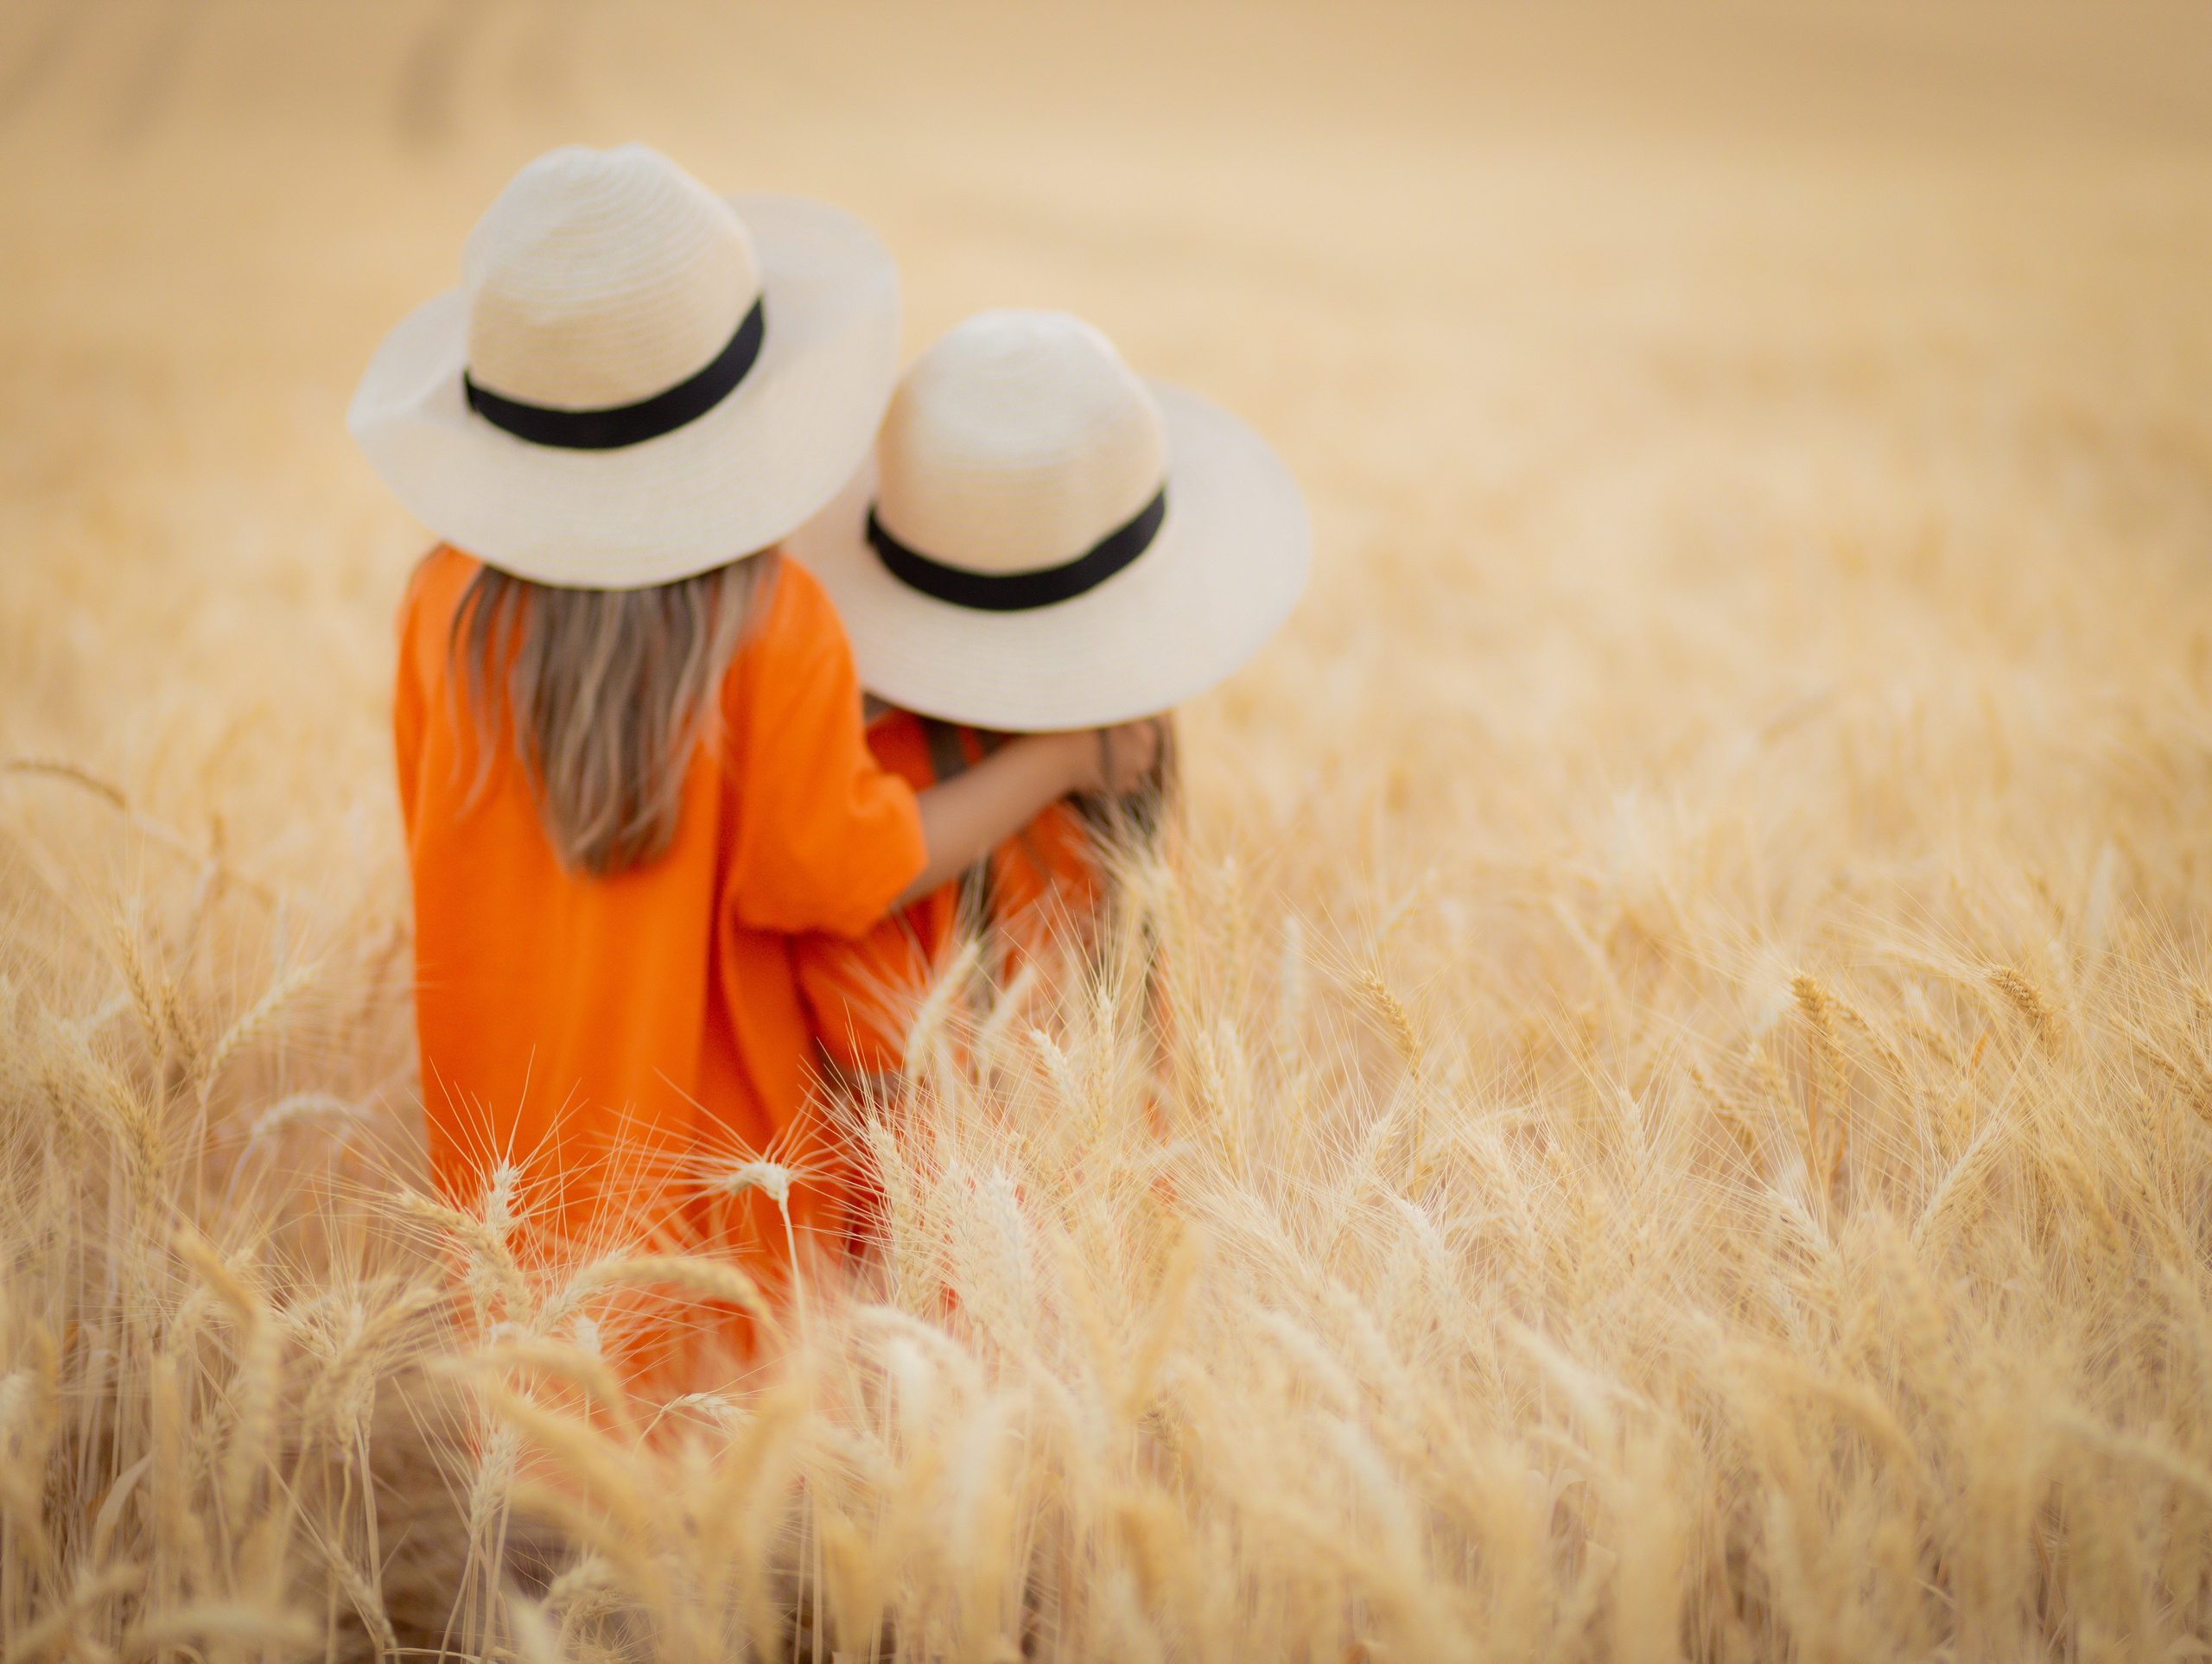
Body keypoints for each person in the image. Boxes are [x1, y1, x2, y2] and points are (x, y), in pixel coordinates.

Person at [349, 149, 1157, 1374]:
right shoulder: (770, 624)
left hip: (511, 1202)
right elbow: (840, 875)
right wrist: (1059, 760)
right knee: (711, 1507)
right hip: (725, 1198)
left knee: (548, 1492)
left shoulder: (440, 606)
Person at [786, 308, 1309, 1090]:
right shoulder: (893, 747)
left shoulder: (1107, 731)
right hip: (978, 1172)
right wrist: (1061, 760)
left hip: (1031, 1163)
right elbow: (851, 877)